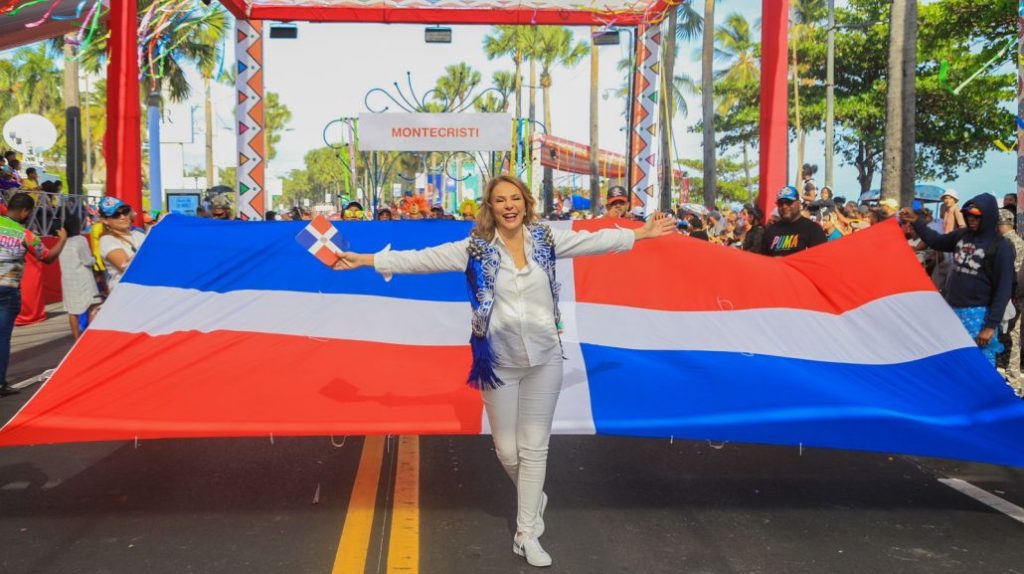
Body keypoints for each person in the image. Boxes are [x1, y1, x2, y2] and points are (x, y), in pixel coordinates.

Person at [331, 175, 675, 567]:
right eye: (500, 200)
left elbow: (593, 241)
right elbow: (421, 259)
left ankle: (527, 532)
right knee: (507, 450)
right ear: (490, 208)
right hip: (498, 363)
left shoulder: (546, 240)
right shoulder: (474, 249)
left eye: (515, 198)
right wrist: (366, 259)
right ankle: (534, 495)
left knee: (535, 449)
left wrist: (641, 235)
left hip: (545, 360)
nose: (509, 205)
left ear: (526, 204)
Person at [902, 194, 1014, 367]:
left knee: (979, 365)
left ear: (989, 216)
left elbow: (1004, 289)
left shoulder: (1001, 246)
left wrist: (990, 326)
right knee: (953, 363)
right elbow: (937, 241)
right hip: (952, 310)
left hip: (979, 315)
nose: (971, 219)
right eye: (968, 215)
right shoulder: (962, 235)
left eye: (977, 216)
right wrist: (916, 221)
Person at [0, 193, 67, 396]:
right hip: (8, 290)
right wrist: (62, 240)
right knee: (2, 337)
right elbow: (47, 257)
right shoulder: (26, 235)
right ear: (25, 212)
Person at [58, 212, 102, 339]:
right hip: (84, 279)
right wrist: (94, 259)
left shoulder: (62, 242)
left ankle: (76, 339)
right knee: (93, 307)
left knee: (72, 312)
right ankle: (91, 337)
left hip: (67, 280)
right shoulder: (80, 240)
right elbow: (87, 261)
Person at [997, 208, 1024, 390]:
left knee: (1010, 337)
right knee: (1009, 337)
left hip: (1011, 297)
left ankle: (1013, 379)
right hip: (1015, 296)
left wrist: (1012, 295)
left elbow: (1014, 273)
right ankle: (1011, 377)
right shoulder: (1018, 241)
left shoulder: (1008, 243)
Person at [760, 186, 827, 257]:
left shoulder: (813, 229)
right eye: (780, 203)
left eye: (789, 202)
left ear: (798, 203)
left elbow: (821, 259)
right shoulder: (770, 231)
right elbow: (763, 261)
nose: (784, 206)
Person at [97, 197, 146, 292]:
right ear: (105, 220)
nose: (123, 216)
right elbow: (127, 267)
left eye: (125, 211)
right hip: (125, 295)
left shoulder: (139, 234)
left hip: (145, 290)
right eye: (116, 214)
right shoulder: (107, 240)